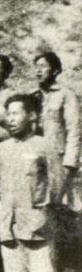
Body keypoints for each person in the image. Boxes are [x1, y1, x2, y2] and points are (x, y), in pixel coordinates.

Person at [0, 95, 60, 272]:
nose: (10, 119)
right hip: (9, 225)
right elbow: (0, 183)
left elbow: (57, 184)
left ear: (31, 116)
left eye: (16, 113)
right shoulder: (2, 149)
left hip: (37, 223)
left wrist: (41, 210)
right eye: (8, 114)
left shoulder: (44, 146)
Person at [34, 52, 79, 210]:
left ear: (55, 71)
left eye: (43, 67)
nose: (38, 71)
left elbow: (74, 131)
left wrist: (70, 163)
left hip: (57, 160)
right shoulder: (32, 96)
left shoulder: (66, 96)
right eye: (36, 67)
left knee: (58, 205)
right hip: (34, 158)